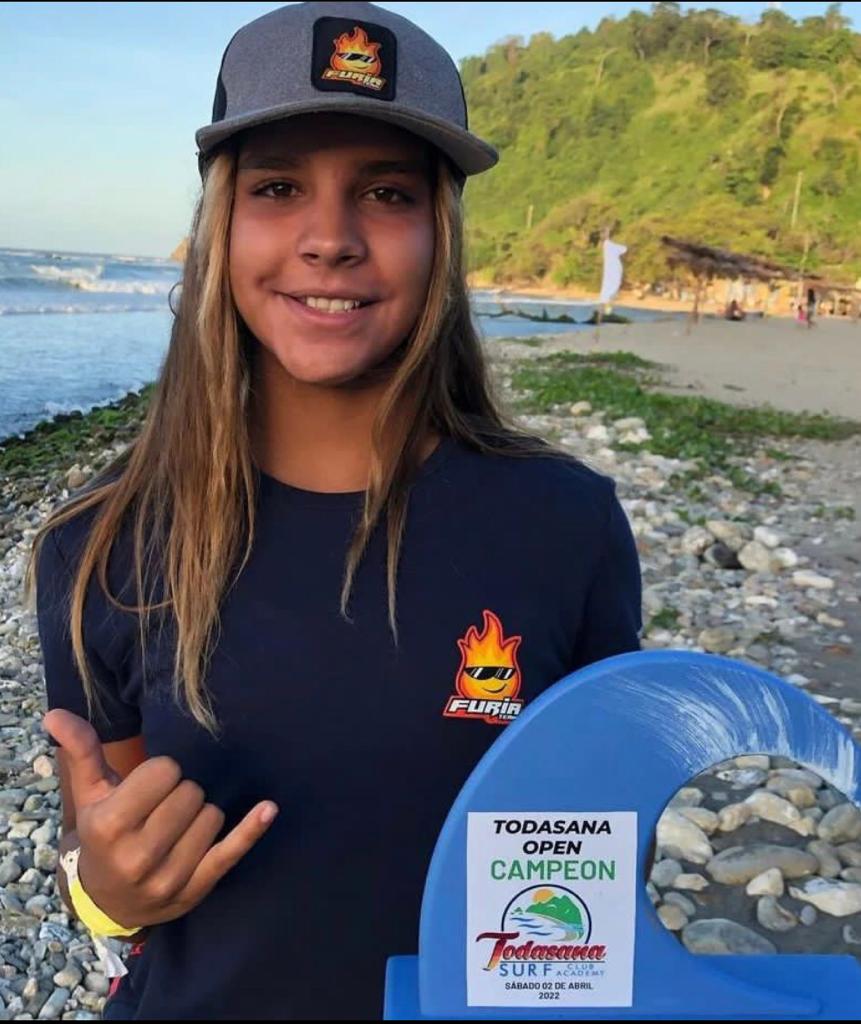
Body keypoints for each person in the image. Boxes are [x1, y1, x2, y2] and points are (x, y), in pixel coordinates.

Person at [25, 2, 642, 1019]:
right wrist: (106, 891)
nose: (329, 239)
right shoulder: (99, 546)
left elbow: (585, 872)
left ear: (440, 236)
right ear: (219, 226)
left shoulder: (565, 524)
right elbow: (100, 859)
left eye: (386, 193)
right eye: (277, 188)